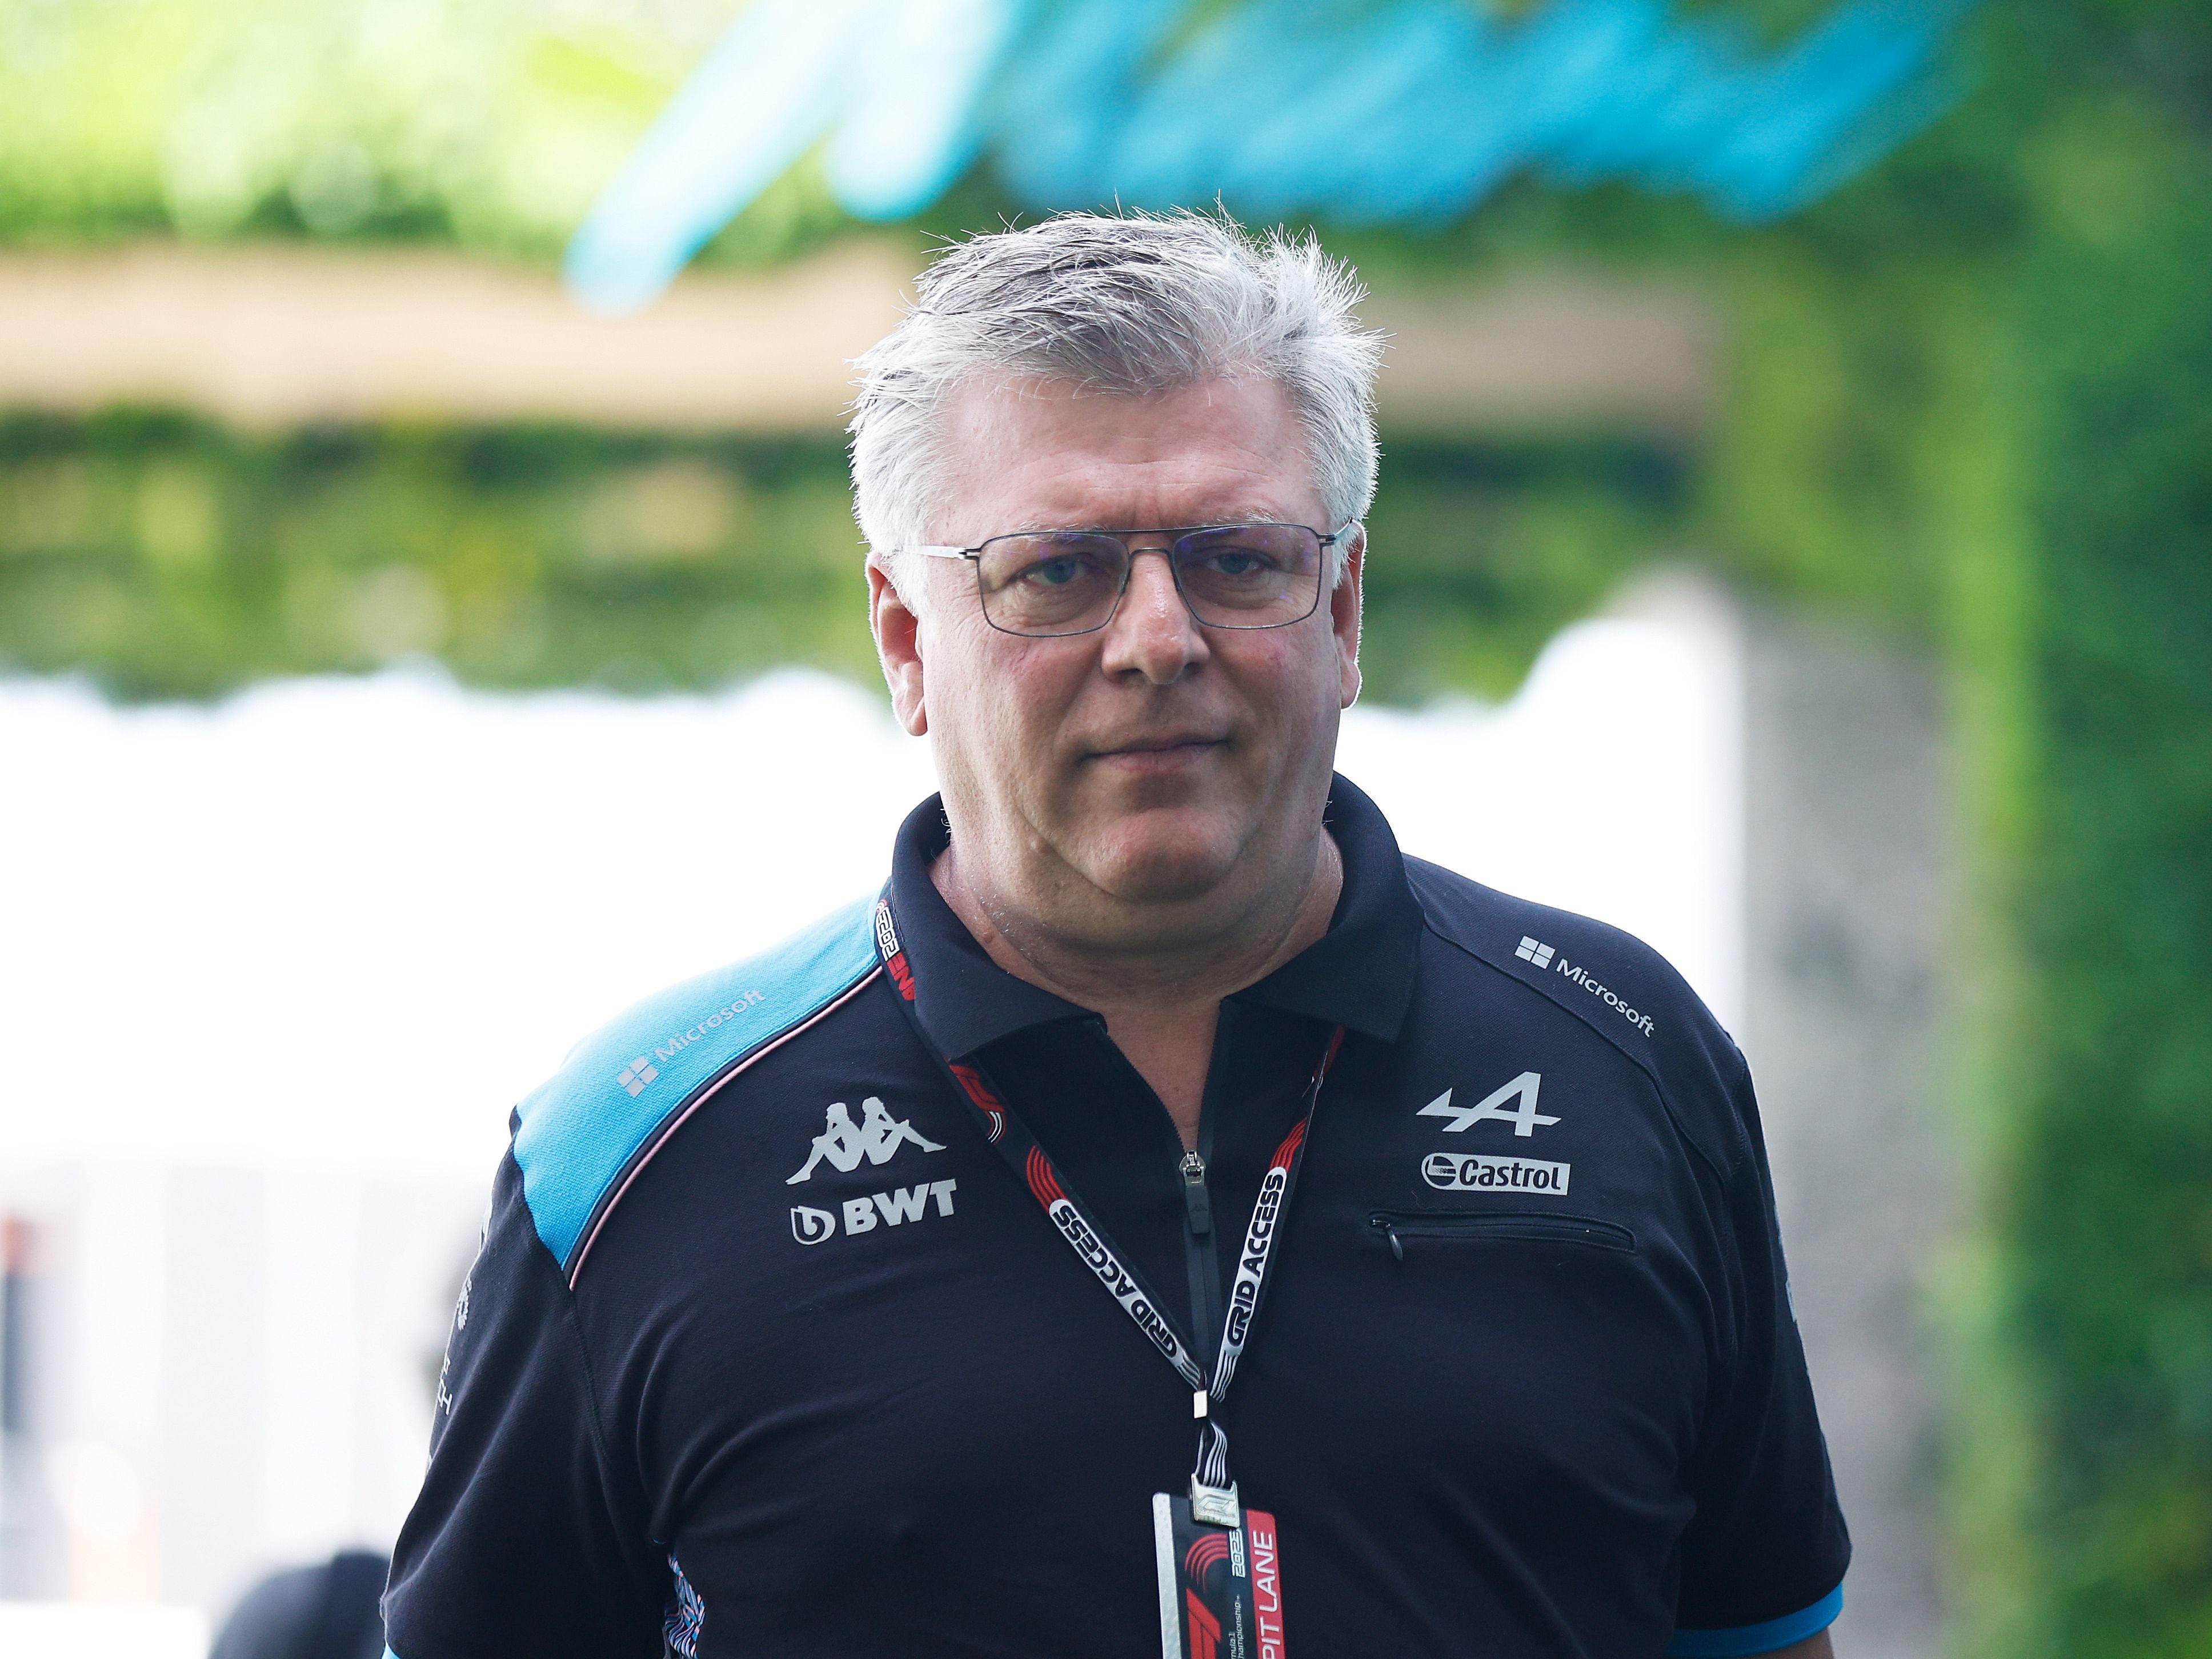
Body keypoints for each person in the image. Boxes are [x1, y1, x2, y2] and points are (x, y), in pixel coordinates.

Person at [382, 211, 1849, 1658]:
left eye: (1237, 559)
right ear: (907, 640)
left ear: (1341, 604)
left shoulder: (1627, 1063)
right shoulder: (638, 1158)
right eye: (1057, 572)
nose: (1157, 639)